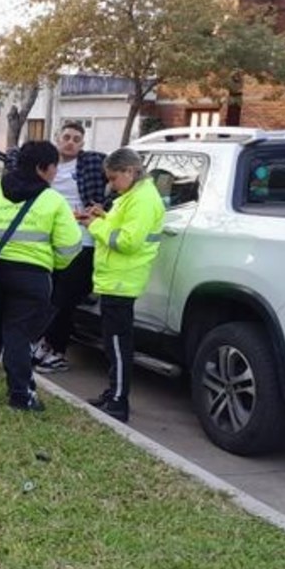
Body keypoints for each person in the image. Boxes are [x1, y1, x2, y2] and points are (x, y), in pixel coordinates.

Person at [0, 140, 84, 412]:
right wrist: (52, 263)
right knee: (18, 335)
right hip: (31, 277)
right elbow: (69, 246)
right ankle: (20, 395)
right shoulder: (53, 201)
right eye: (53, 168)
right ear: (42, 168)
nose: (55, 173)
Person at [78, 148, 166, 422]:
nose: (111, 184)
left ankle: (118, 400)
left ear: (130, 171)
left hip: (122, 281)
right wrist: (102, 217)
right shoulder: (132, 196)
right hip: (116, 279)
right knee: (113, 341)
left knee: (117, 344)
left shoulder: (142, 200)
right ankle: (113, 392)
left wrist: (94, 226)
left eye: (114, 178)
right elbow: (122, 228)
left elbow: (127, 241)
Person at [18, 122, 108, 375]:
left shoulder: (92, 164)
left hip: (83, 240)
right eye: (66, 137)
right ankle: (42, 345)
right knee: (47, 296)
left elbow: (119, 181)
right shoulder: (44, 166)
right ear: (57, 138)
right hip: (48, 240)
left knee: (63, 300)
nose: (70, 142)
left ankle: (55, 349)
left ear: (82, 144)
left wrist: (99, 208)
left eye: (76, 139)